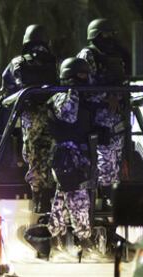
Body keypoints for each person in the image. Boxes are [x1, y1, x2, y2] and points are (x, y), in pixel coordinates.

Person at [1, 24, 57, 213]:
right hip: (54, 115)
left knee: (33, 157)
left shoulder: (17, 62)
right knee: (52, 155)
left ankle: (40, 198)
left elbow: (6, 92)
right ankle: (51, 195)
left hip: (31, 116)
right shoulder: (54, 62)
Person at [77, 18, 129, 208]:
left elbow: (121, 82)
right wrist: (108, 97)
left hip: (115, 119)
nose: (109, 39)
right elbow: (83, 87)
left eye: (111, 35)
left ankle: (111, 197)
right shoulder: (88, 55)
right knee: (104, 159)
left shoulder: (113, 56)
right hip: (98, 118)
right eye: (105, 35)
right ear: (96, 35)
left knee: (115, 160)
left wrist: (120, 96)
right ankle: (106, 197)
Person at [47, 57, 96, 256]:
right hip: (67, 155)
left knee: (64, 195)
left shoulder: (83, 97)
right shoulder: (62, 97)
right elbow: (68, 116)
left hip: (79, 154)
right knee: (76, 194)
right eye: (81, 75)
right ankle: (84, 240)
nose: (85, 79)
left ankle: (56, 239)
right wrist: (75, 92)